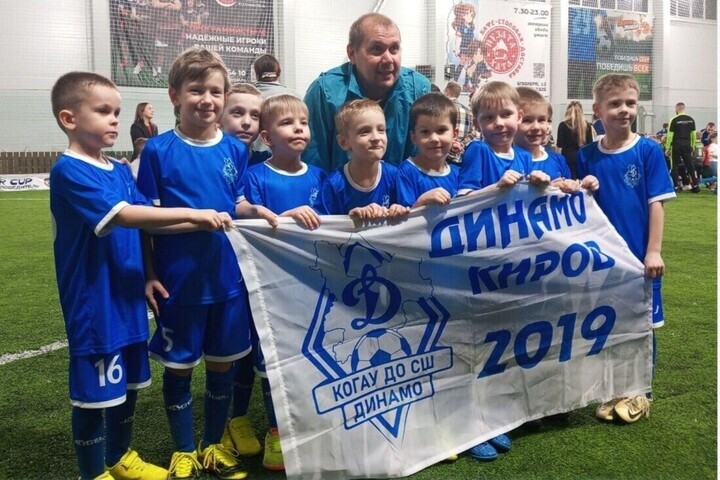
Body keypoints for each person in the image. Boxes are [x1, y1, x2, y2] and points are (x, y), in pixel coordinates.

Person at [49, 71, 232, 480]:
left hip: (129, 293)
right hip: (94, 302)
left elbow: (151, 220)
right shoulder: (70, 170)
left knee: (129, 385)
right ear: (69, 119)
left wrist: (153, 270)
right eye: (103, 111)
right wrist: (195, 214)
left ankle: (119, 458)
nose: (114, 119)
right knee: (94, 397)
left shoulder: (116, 169)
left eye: (117, 112)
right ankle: (93, 473)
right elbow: (126, 216)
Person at [136, 46, 276, 480]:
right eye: (197, 90)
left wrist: (258, 210)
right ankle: (183, 450)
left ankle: (212, 445)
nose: (207, 99)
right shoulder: (157, 151)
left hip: (227, 280)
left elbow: (235, 204)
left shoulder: (234, 149)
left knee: (222, 365)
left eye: (216, 91)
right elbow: (145, 222)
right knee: (179, 369)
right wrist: (150, 273)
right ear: (175, 95)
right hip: (179, 283)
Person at [577, 73, 676, 424]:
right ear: (598, 110)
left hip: (638, 258)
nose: (624, 110)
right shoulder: (587, 155)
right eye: (615, 103)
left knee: (642, 324)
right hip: (603, 261)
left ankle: (642, 393)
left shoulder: (648, 150)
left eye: (630, 103)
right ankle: (617, 388)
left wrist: (654, 250)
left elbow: (656, 203)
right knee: (609, 324)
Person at [242, 94, 327, 470]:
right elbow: (247, 226)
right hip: (270, 286)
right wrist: (287, 217)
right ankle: (276, 432)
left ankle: (310, 424)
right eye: (287, 123)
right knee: (272, 359)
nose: (298, 129)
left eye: (303, 123)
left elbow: (331, 225)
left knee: (308, 355)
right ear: (266, 137)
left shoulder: (319, 177)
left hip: (309, 285)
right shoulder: (255, 177)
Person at [303, 13, 431, 171]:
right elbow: (314, 166)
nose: (388, 60)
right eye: (377, 49)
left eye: (394, 49)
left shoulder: (418, 89)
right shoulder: (324, 92)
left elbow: (427, 159)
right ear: (352, 53)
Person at [315, 98, 409, 220]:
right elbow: (320, 224)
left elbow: (411, 212)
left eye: (381, 130)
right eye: (365, 132)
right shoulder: (334, 185)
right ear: (344, 142)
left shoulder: (395, 176)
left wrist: (400, 209)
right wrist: (350, 220)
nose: (376, 137)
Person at [458, 81, 546, 199]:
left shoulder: (525, 156)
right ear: (477, 124)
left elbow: (527, 198)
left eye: (506, 114)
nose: (499, 123)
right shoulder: (478, 150)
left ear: (519, 117)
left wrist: (540, 184)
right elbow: (463, 199)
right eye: (489, 117)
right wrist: (497, 188)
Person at [514, 87, 599, 194]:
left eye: (541, 120)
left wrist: (581, 185)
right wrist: (546, 189)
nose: (536, 127)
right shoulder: (503, 162)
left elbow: (568, 195)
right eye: (527, 120)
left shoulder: (558, 160)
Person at [395, 93, 461, 209]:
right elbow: (404, 218)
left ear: (454, 134)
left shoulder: (459, 173)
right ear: (414, 137)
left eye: (441, 130)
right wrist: (422, 201)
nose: (434, 139)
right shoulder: (406, 172)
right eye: (425, 132)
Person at [219, 82, 270, 166]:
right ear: (219, 118)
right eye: (238, 113)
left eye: (255, 115)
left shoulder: (269, 163)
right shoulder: (204, 160)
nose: (247, 122)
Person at [665, 102, 700, 192]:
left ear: (676, 109)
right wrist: (693, 145)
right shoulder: (691, 119)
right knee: (690, 165)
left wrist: (667, 147)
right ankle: (696, 185)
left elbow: (670, 135)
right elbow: (693, 134)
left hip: (676, 144)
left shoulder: (674, 119)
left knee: (675, 165)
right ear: (684, 108)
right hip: (687, 143)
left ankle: (676, 187)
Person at [556, 101, 594, 179]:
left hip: (567, 158)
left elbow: (559, 145)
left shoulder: (563, 125)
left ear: (568, 111)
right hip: (582, 158)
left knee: (568, 180)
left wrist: (558, 161)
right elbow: (590, 145)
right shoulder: (587, 126)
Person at [443, 80, 476, 165]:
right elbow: (473, 133)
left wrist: (452, 143)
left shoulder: (441, 109)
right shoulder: (469, 112)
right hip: (459, 157)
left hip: (443, 156)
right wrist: (460, 144)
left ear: (447, 92)